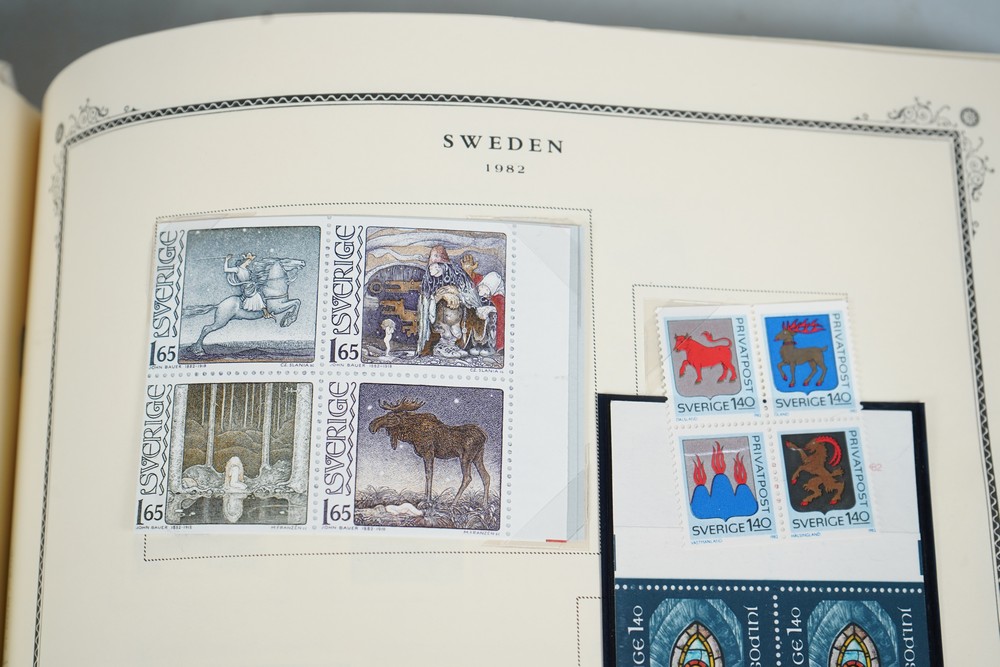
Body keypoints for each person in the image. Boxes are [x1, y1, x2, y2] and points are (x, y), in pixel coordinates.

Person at [224, 252, 272, 319]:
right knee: (257, 295)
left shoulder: (248, 270)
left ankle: (266, 311)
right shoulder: (237, 269)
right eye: (249, 261)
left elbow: (251, 279)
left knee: (261, 290)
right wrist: (226, 260)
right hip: (246, 287)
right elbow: (226, 269)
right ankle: (265, 312)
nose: (249, 263)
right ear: (245, 261)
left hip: (251, 285)